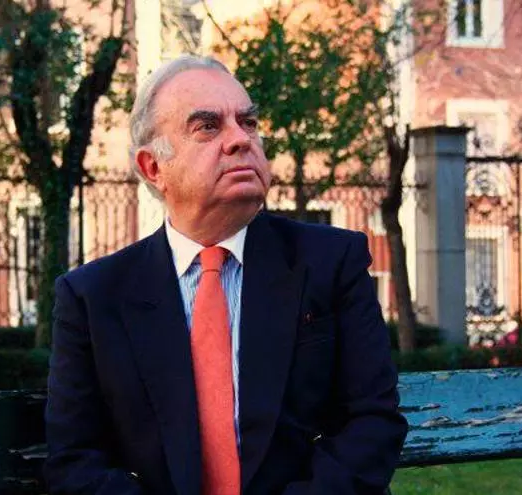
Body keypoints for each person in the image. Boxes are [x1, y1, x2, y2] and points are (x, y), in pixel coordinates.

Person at [44, 55, 408, 495]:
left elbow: (372, 423)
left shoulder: (331, 262)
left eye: (248, 123)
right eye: (208, 127)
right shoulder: (93, 297)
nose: (240, 140)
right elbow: (75, 461)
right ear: (154, 167)